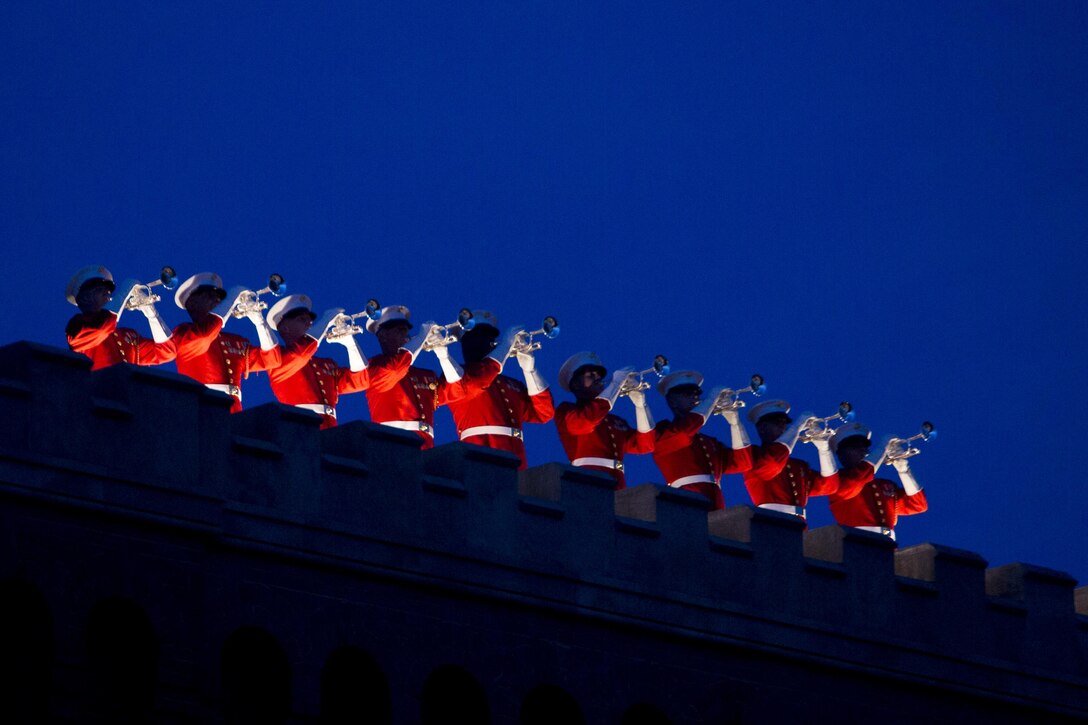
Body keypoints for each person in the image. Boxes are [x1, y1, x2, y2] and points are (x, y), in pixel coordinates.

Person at [364, 306, 500, 449]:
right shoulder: (374, 366)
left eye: (406, 330)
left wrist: (443, 354)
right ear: (383, 336)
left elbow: (458, 387)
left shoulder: (426, 376)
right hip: (391, 445)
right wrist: (423, 335)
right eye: (399, 330)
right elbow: (395, 368)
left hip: (425, 447)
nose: (405, 335)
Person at [446, 311, 554, 470]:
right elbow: (480, 379)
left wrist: (530, 370)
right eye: (479, 336)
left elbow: (544, 413)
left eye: (490, 337)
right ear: (467, 342)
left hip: (516, 459)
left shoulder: (512, 384)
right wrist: (505, 345)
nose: (487, 342)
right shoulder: (458, 375)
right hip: (480, 456)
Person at [171, 273, 281, 412]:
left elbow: (272, 359)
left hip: (235, 411)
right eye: (210, 296)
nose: (217, 300)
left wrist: (259, 320)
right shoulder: (183, 332)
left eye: (220, 298)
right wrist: (233, 295)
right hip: (203, 407)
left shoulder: (235, 341)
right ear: (192, 304)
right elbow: (205, 334)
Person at [651, 370, 753, 510]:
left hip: (717, 503)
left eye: (696, 394)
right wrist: (711, 399)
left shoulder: (709, 442)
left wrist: (735, 422)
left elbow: (743, 463)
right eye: (688, 394)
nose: (695, 398)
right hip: (685, 501)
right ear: (672, 401)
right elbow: (685, 431)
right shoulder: (662, 431)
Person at [265, 294, 369, 429]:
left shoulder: (325, 364)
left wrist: (351, 344)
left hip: (331, 428)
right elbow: (301, 353)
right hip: (301, 427)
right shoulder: (276, 359)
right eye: (302, 319)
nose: (309, 323)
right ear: (285, 329)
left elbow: (360, 381)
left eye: (310, 321)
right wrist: (326, 320)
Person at [554, 352, 655, 490]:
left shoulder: (614, 420)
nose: (598, 379)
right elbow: (587, 421)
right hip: (587, 481)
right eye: (591, 375)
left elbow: (646, 445)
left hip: (618, 484)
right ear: (576, 384)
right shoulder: (566, 410)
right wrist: (616, 384)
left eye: (599, 375)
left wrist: (641, 405)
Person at [741, 399, 841, 523]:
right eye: (776, 422)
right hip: (770, 522)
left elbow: (830, 486)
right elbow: (774, 461)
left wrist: (824, 449)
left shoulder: (799, 466)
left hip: (800, 525)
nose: (782, 426)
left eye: (784, 423)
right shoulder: (751, 455)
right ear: (762, 428)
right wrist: (798, 425)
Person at [828, 423, 929, 541]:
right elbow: (859, 478)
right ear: (841, 454)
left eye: (864, 447)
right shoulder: (836, 481)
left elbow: (918, 505)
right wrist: (883, 447)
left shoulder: (885, 485)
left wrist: (904, 470)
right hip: (857, 543)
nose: (863, 451)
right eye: (855, 447)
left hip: (888, 544)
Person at [65, 265, 176, 370]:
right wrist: (124, 292)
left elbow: (167, 352)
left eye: (108, 291)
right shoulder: (76, 326)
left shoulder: (127, 336)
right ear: (84, 299)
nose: (108, 295)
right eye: (100, 290)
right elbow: (103, 326)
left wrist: (151, 313)